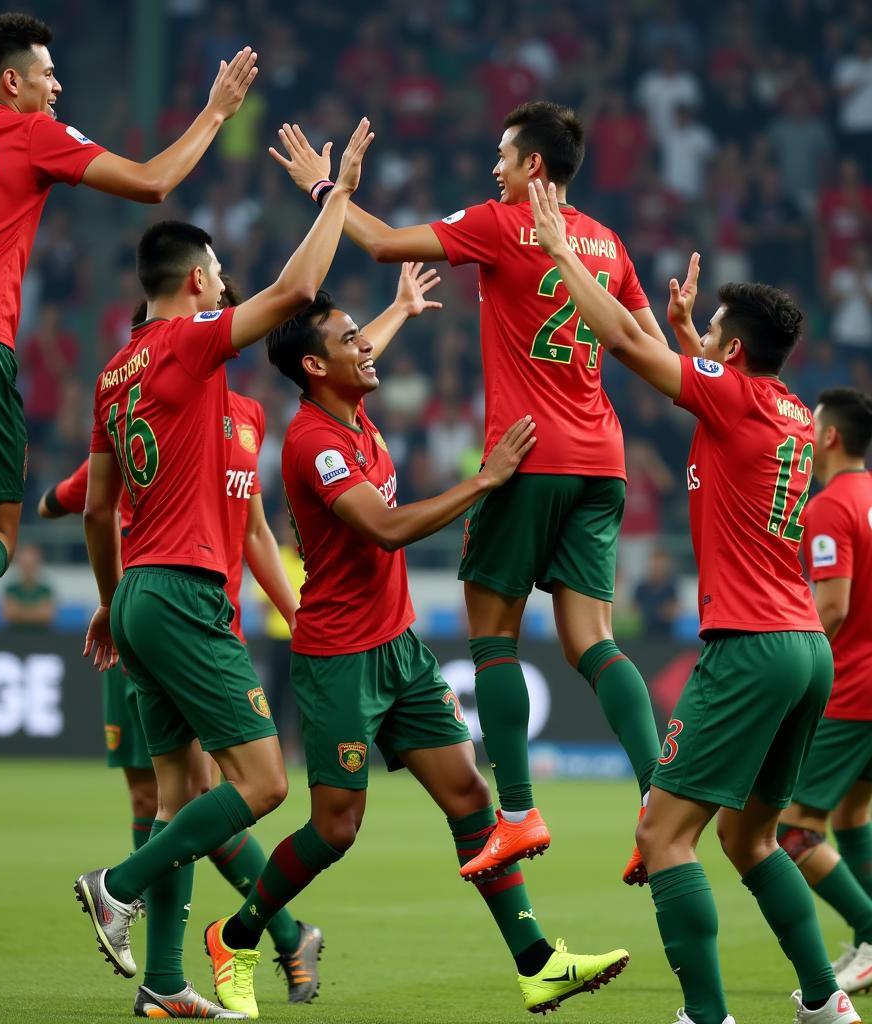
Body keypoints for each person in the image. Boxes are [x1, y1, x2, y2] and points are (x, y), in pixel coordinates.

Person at [203, 286, 630, 1020]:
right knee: (336, 828)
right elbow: (388, 529)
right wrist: (486, 479)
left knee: (470, 797)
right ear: (313, 366)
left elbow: (356, 348)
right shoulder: (312, 442)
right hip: (339, 657)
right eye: (349, 341)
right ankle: (234, 938)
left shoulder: (350, 405)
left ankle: (537, 966)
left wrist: (396, 308)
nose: (365, 348)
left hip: (399, 648)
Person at [269, 100, 664, 883]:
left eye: (504, 156)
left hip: (526, 457)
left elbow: (382, 243)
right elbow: (645, 347)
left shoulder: (500, 221)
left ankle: (515, 813)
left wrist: (326, 191)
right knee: (593, 640)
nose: (495, 169)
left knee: (493, 637)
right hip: (603, 458)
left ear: (533, 170)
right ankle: (661, 797)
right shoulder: (608, 243)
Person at [0, 11, 259, 726]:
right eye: (46, 74)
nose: (58, 85)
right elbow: (153, 181)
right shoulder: (30, 132)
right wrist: (216, 113)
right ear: (12, 82)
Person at [529, 179, 857, 1024]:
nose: (699, 344)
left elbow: (627, 350)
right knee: (751, 839)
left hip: (747, 645)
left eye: (711, 335)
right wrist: (681, 331)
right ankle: (822, 1002)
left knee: (664, 838)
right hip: (804, 652)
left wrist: (560, 252)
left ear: (731, 354)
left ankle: (707, 1017)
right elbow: (686, 367)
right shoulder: (786, 409)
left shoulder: (733, 394)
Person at [72, 119, 373, 1019]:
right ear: (199, 282)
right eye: (214, 277)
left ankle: (164, 985)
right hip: (188, 593)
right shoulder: (186, 343)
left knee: (183, 797)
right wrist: (339, 194)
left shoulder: (113, 372)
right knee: (266, 782)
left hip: (138, 592)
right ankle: (116, 886)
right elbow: (300, 287)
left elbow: (97, 508)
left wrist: (110, 602)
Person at [777, 388, 872, 995]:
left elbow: (832, 605)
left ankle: (870, 930)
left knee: (793, 830)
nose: (807, 434)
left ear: (830, 437)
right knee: (851, 812)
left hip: (852, 689)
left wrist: (790, 657)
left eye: (812, 426)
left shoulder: (831, 506)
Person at [1, 544, 54, 628]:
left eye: (31, 565)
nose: (28, 569)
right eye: (25, 565)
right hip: (14, 635)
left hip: (41, 637)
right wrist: (36, 612)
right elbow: (8, 613)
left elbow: (46, 615)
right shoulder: (11, 588)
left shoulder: (45, 589)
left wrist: (19, 611)